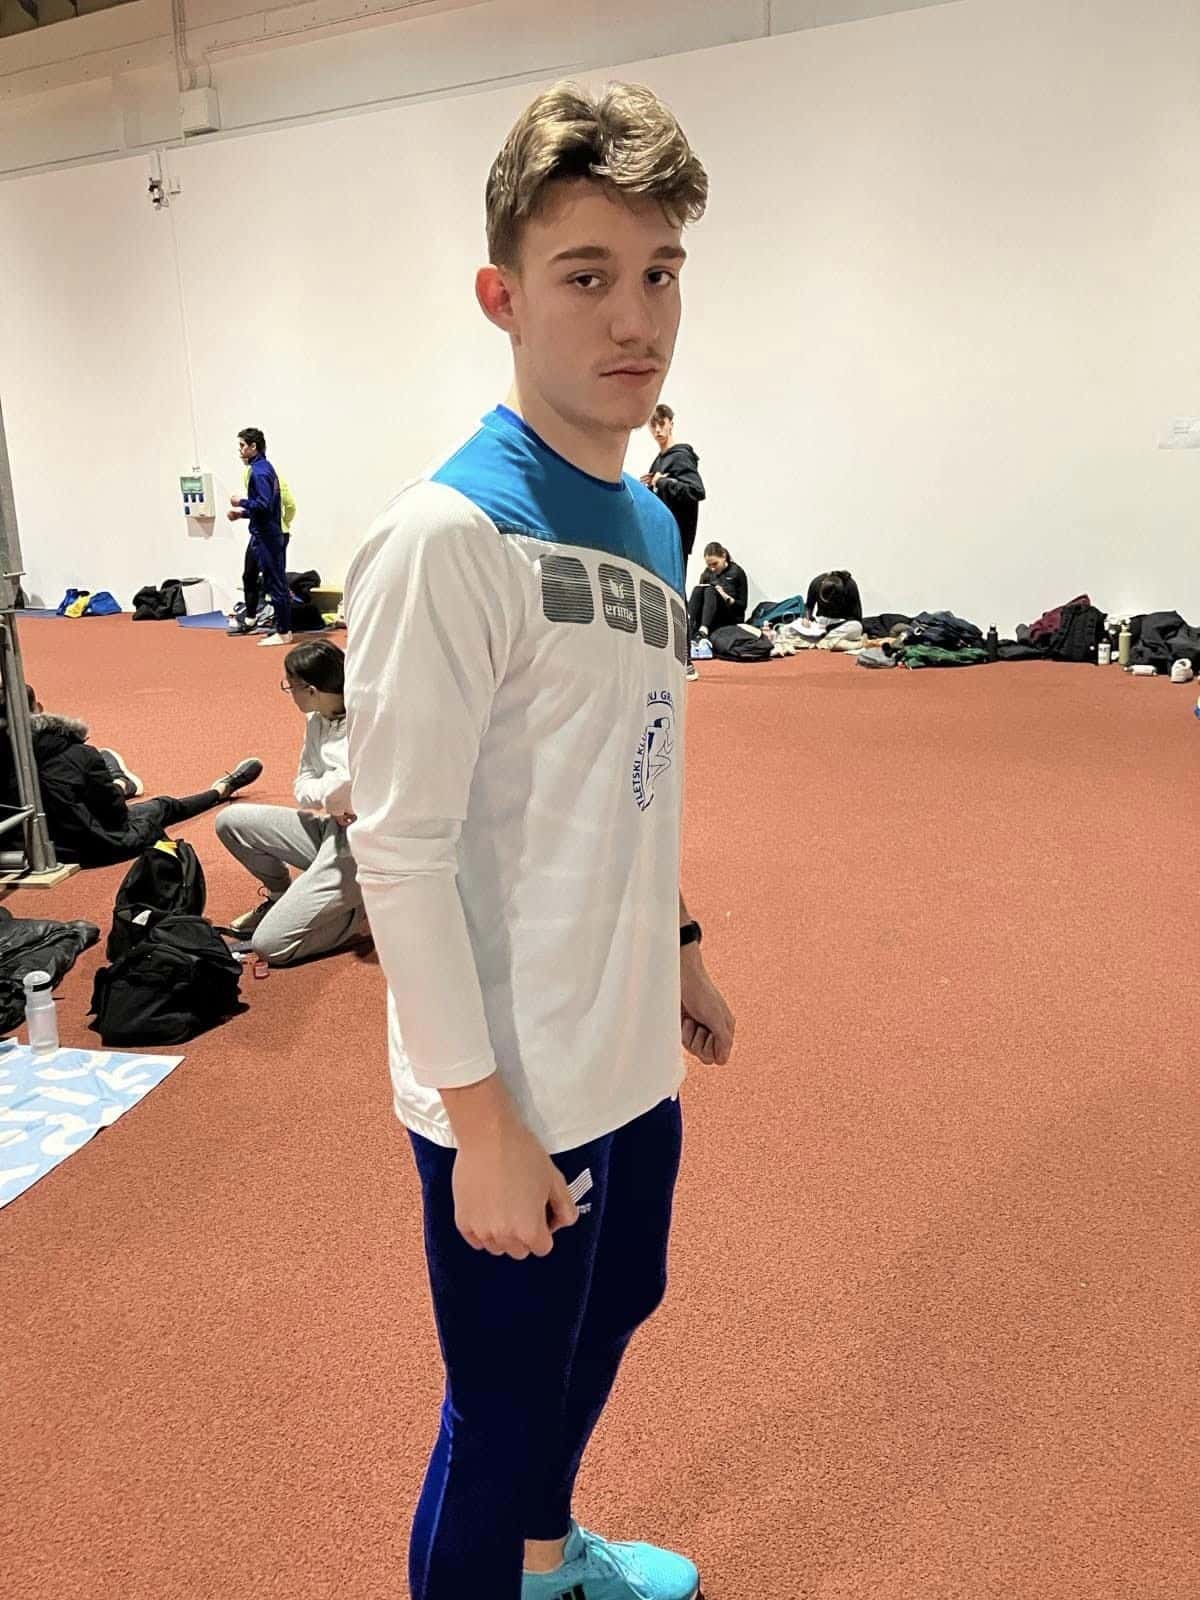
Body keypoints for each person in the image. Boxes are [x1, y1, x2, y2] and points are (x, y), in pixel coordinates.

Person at [344, 81, 734, 1600]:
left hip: (625, 1045)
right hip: (508, 1082)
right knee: (497, 1410)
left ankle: (547, 1556)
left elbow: (636, 765)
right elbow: (399, 852)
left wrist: (681, 944)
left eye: (660, 274)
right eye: (586, 276)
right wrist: (482, 1120)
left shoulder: (652, 527)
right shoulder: (446, 538)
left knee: (619, 1306)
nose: (635, 319)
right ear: (502, 296)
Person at [215, 640, 366, 966]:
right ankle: (281, 896)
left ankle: (359, 909)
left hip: (362, 845)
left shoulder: (365, 720)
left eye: (291, 686)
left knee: (270, 945)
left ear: (311, 690)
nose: (290, 693)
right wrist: (331, 795)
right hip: (333, 827)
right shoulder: (316, 720)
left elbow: (352, 786)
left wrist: (335, 792)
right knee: (231, 821)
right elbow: (304, 787)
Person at [20, 685, 261, 868]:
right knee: (163, 806)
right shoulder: (78, 752)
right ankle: (221, 789)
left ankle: (120, 781)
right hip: (91, 847)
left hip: (21, 851)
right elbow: (116, 815)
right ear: (38, 708)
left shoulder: (9, 757)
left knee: (76, 787)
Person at [642, 403, 706, 679]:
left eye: (661, 424)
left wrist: (663, 482)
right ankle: (668, 658)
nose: (657, 430)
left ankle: (686, 661)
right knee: (662, 595)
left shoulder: (680, 457)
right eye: (653, 425)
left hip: (676, 538)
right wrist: (650, 486)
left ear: (670, 423)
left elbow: (696, 491)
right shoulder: (660, 460)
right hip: (661, 538)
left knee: (676, 596)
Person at [226, 427, 293, 647]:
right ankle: (277, 627)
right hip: (265, 533)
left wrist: (241, 502)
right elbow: (266, 508)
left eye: (242, 446)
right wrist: (242, 514)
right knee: (266, 580)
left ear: (253, 446)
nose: (240, 451)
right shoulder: (264, 467)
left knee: (276, 584)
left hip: (268, 536)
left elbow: (264, 505)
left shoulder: (260, 472)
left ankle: (284, 632)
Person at [687, 541, 748, 640]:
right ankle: (688, 626)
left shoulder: (737, 572)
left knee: (710, 591)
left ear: (723, 556)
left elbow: (742, 607)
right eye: (709, 565)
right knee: (698, 589)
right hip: (711, 616)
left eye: (715, 564)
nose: (712, 568)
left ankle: (704, 629)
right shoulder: (707, 573)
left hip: (730, 616)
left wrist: (725, 596)